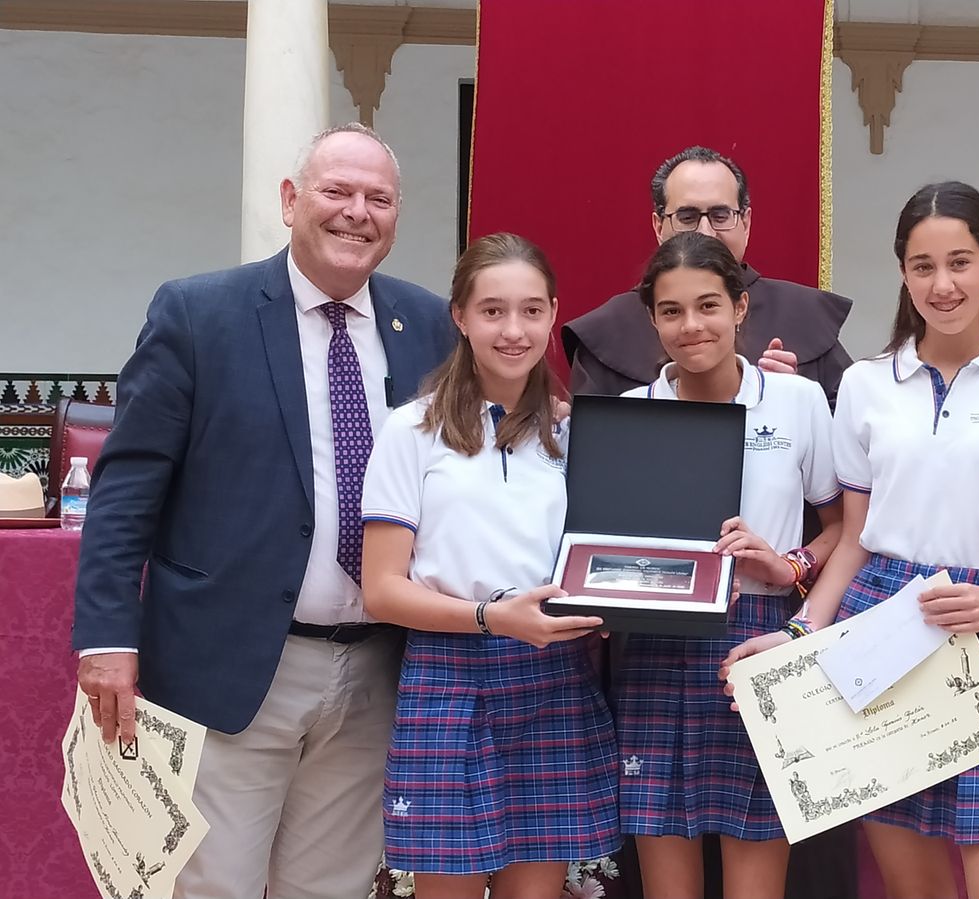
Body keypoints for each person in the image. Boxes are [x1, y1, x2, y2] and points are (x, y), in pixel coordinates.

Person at [71, 123, 456, 899]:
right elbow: (126, 488)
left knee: (334, 889)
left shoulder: (428, 325)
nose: (356, 212)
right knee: (216, 886)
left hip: (377, 670)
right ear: (290, 200)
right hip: (233, 664)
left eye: (377, 198)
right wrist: (107, 635)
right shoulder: (197, 314)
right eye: (336, 191)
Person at [727, 181, 979, 899]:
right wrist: (802, 630)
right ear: (903, 272)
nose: (944, 284)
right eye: (923, 265)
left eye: (961, 262)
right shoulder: (871, 386)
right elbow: (854, 541)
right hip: (880, 637)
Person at [361, 233, 619, 899]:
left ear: (554, 313)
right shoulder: (410, 431)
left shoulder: (576, 434)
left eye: (532, 310)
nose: (514, 330)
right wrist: (488, 617)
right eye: (493, 310)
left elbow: (605, 560)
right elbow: (382, 590)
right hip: (449, 678)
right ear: (460, 316)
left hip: (554, 674)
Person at [615, 232, 844, 899]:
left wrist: (789, 565)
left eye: (709, 305)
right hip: (654, 646)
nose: (692, 326)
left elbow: (845, 530)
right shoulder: (629, 415)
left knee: (756, 872)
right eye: (672, 310)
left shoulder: (798, 402)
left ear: (741, 308)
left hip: (759, 640)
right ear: (652, 318)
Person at [562, 146, 853, 404]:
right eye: (687, 217)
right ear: (658, 225)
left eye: (720, 215)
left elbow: (848, 442)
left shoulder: (804, 315)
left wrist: (791, 400)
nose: (706, 232)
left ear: (746, 222)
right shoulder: (608, 332)